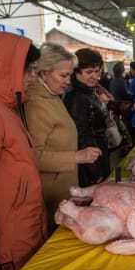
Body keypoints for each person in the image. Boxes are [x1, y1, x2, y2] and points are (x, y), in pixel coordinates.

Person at [0, 31, 48, 270]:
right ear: (4, 67)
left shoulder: (5, 106)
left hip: (20, 228)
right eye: (28, 69)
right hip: (6, 240)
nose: (32, 76)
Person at [24, 42, 102, 234]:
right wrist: (77, 157)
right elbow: (34, 156)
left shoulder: (53, 97)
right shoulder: (36, 105)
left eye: (69, 74)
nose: (68, 81)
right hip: (51, 194)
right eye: (63, 75)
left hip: (65, 189)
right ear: (43, 74)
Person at [63, 48, 110, 187]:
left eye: (97, 72)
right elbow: (81, 137)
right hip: (90, 164)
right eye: (89, 72)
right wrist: (95, 173)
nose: (94, 76)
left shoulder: (88, 92)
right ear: (76, 72)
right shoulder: (78, 98)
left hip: (97, 156)